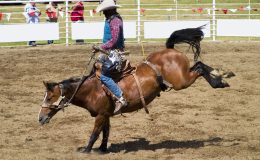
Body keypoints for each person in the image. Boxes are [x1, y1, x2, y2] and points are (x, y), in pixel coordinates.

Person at [92, 0, 127, 115]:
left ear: (110, 9)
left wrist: (100, 46)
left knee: (105, 76)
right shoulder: (112, 19)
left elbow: (114, 40)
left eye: (104, 10)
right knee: (95, 66)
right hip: (109, 51)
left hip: (115, 53)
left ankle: (120, 97)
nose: (103, 13)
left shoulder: (115, 21)